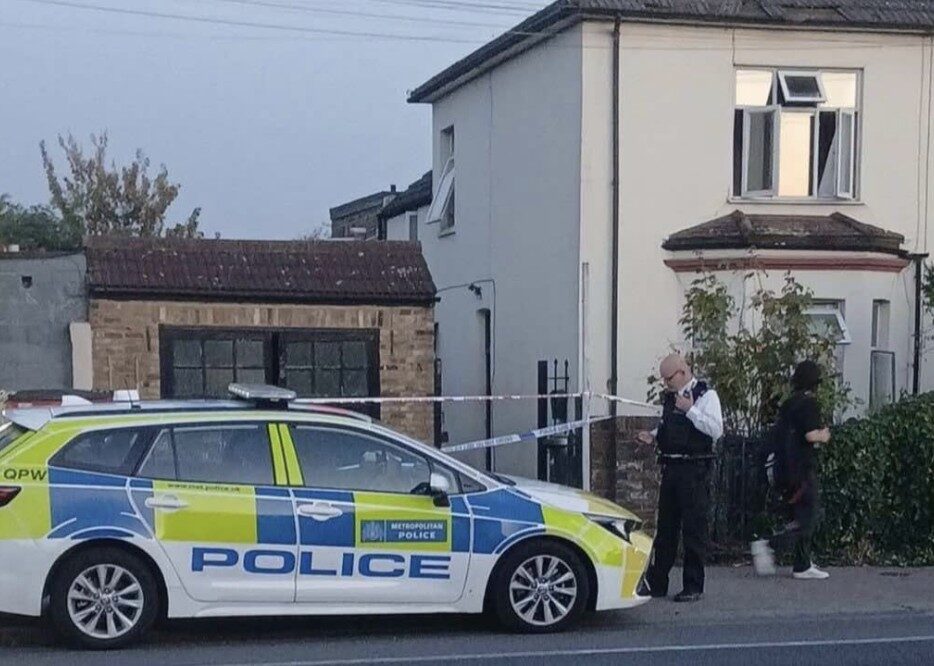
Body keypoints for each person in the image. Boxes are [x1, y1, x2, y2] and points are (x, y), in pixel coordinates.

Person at [636, 353, 723, 602]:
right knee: (666, 529)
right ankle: (657, 582)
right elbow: (668, 425)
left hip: (695, 470)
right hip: (671, 467)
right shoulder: (671, 399)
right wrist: (653, 435)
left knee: (694, 530)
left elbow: (716, 430)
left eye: (668, 378)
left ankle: (693, 586)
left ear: (683, 372)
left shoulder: (707, 396)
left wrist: (691, 410)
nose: (666, 384)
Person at [751, 360, 832, 580]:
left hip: (782, 468)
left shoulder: (789, 403)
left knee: (796, 515)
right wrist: (824, 435)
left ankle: (802, 563)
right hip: (800, 469)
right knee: (809, 516)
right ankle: (769, 544)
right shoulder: (809, 404)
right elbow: (810, 435)